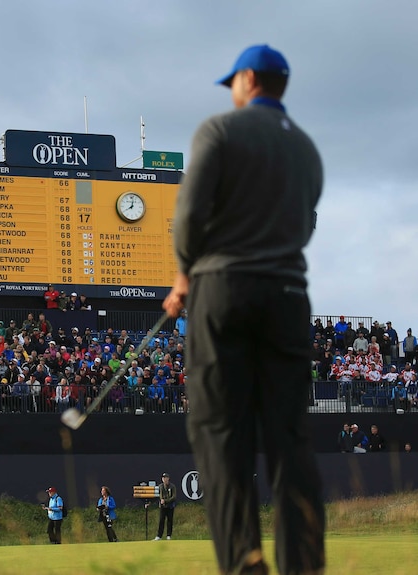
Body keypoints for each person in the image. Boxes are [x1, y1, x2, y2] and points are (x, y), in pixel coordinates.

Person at [162, 44, 325, 574]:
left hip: (223, 290)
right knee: (290, 437)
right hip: (288, 297)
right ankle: (303, 565)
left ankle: (244, 563)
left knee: (219, 431)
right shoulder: (307, 150)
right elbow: (305, 225)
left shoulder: (220, 131)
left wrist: (185, 271)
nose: (230, 91)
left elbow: (188, 214)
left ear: (249, 79)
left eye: (232, 82)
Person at [151, 472, 176, 541]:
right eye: (163, 478)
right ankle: (159, 536)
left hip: (170, 506)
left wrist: (166, 501)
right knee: (161, 520)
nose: (165, 479)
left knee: (170, 521)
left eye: (166, 478)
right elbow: (157, 496)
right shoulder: (160, 486)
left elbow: (174, 497)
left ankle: (168, 535)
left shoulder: (172, 486)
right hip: (163, 506)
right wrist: (149, 503)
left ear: (168, 478)